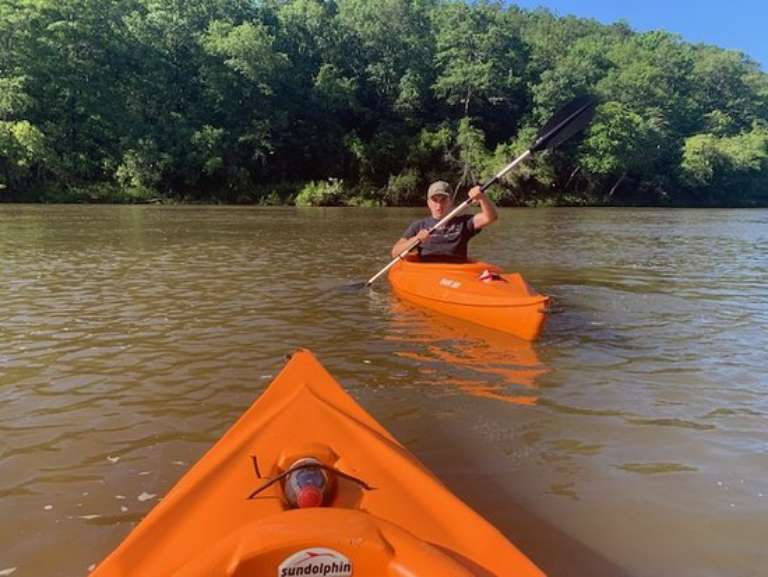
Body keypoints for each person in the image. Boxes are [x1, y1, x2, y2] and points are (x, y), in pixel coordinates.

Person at [390, 180, 498, 262]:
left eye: (443, 200)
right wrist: (416, 239)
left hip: (457, 273)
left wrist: (482, 198)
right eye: (435, 200)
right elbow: (395, 252)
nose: (439, 205)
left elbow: (490, 217)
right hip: (428, 273)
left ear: (451, 201)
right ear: (428, 203)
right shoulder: (419, 226)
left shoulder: (464, 222)